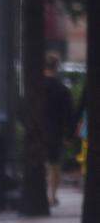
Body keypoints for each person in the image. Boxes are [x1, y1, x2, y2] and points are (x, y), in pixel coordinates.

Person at [43, 53, 74, 206]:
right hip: (55, 132)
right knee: (54, 165)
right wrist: (68, 136)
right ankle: (52, 196)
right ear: (56, 67)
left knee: (41, 163)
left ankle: (41, 193)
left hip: (38, 130)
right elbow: (69, 114)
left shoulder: (36, 87)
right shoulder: (62, 90)